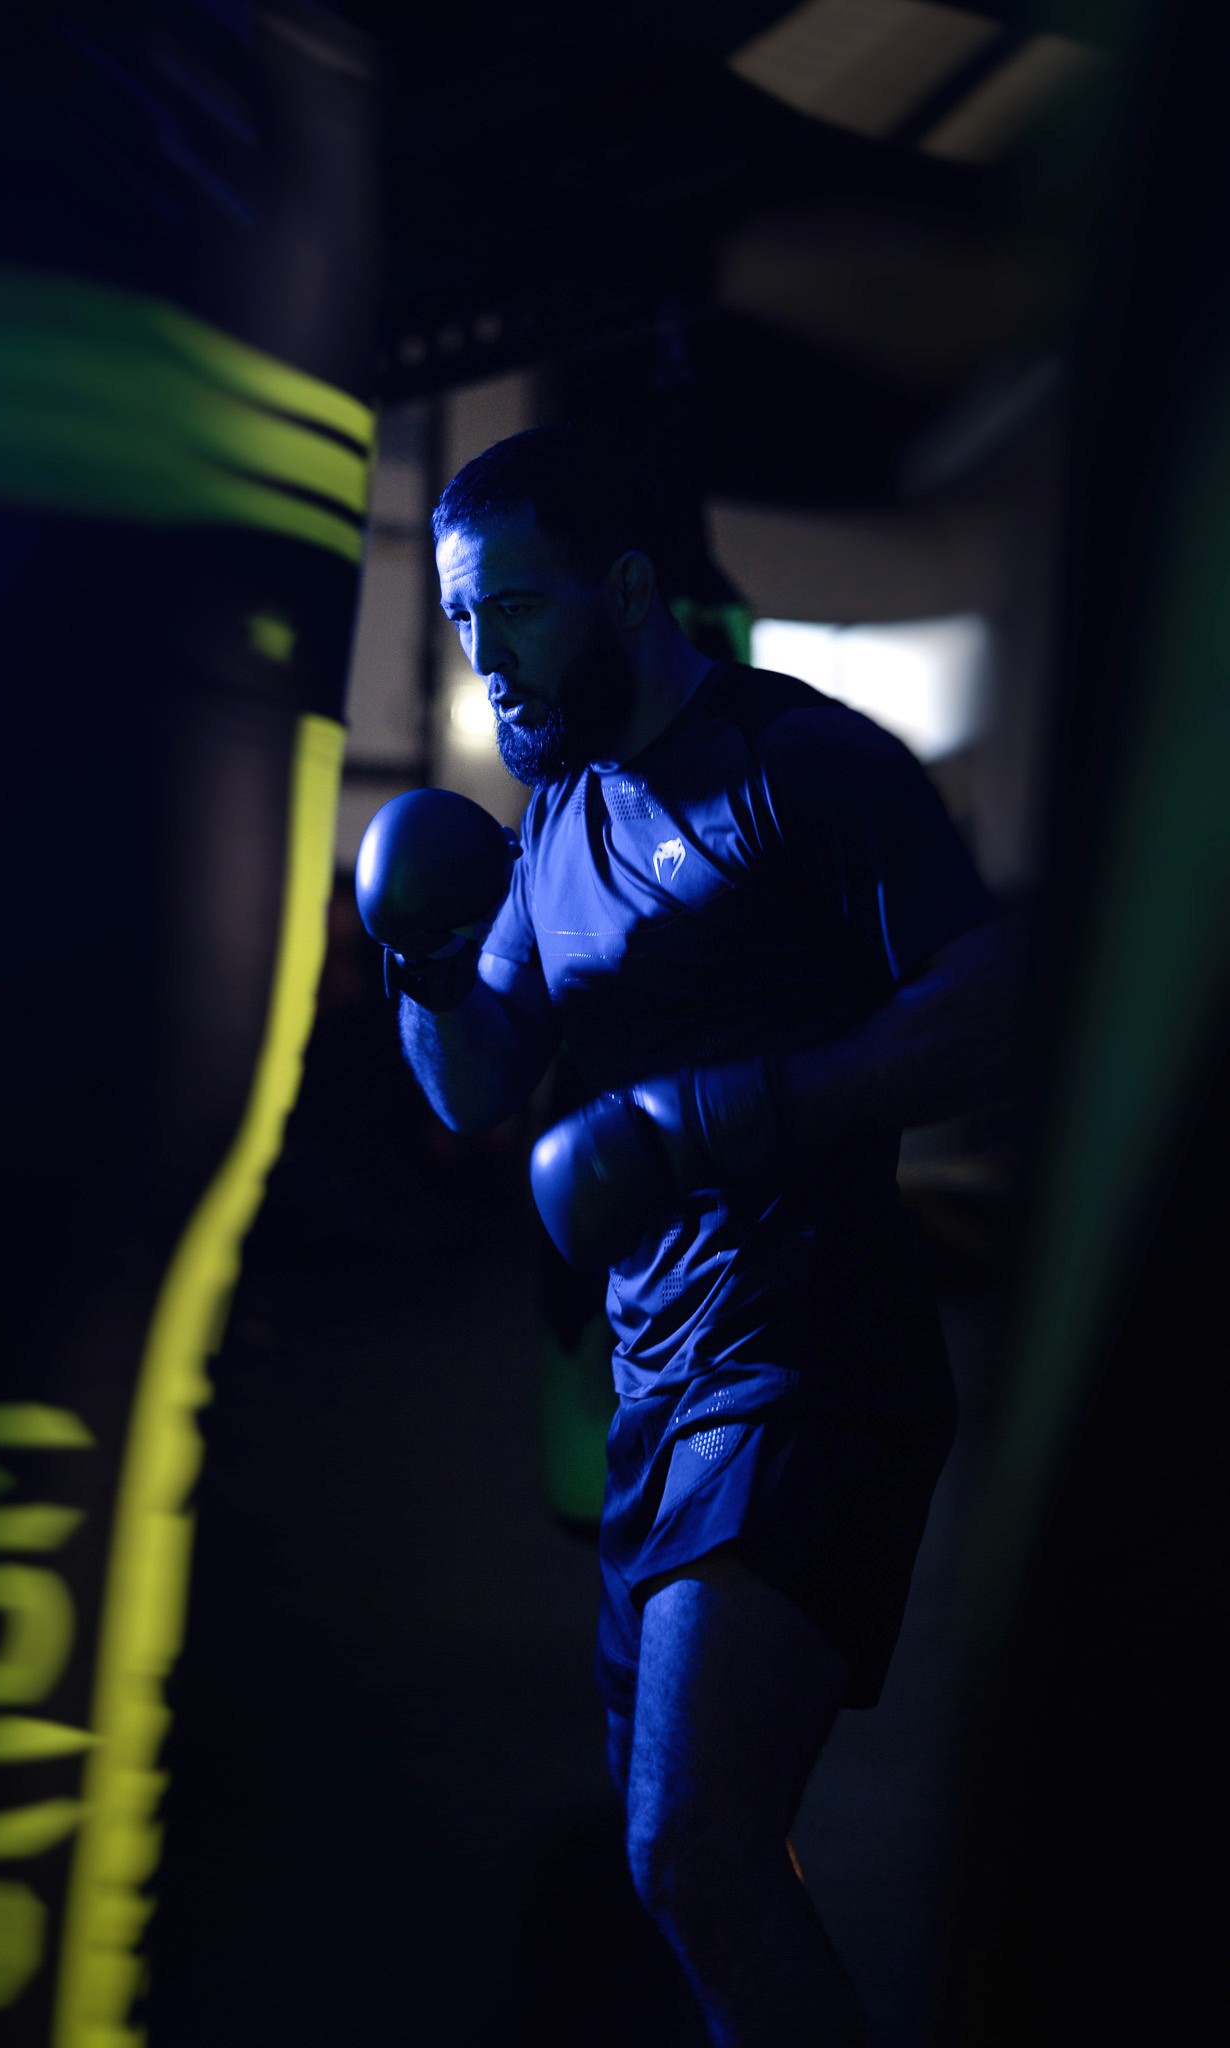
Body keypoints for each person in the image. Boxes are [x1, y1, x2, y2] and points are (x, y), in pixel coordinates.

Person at [378, 422, 1021, 2045]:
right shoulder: (554, 824)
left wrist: (734, 1111)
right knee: (706, 1855)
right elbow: (478, 1089)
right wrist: (422, 961)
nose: (485, 657)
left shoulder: (800, 765)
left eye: (512, 608)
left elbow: (991, 1004)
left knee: (692, 1849)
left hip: (809, 1362)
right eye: (461, 622)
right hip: (656, 1385)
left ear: (630, 589)